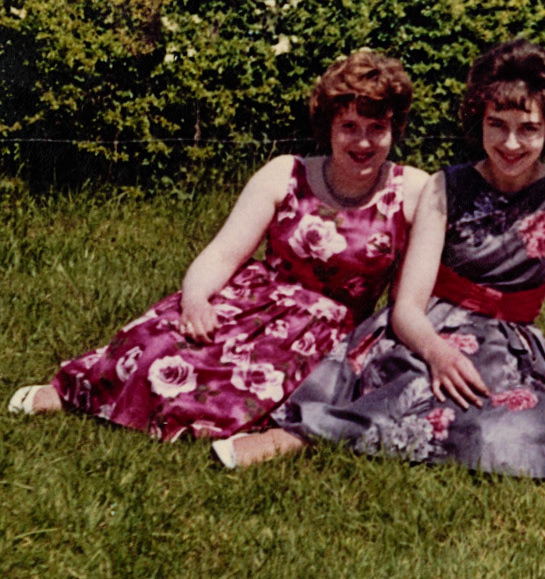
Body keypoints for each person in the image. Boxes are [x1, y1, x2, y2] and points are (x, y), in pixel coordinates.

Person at [215, 39, 545, 479]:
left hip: (512, 348)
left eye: (528, 129)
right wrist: (438, 353)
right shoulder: (447, 186)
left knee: (529, 431)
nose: (511, 143)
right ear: (479, 121)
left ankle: (361, 435)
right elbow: (408, 306)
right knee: (415, 387)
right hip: (431, 331)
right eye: (497, 125)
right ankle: (296, 439)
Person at [8, 50, 429, 442]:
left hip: (326, 333)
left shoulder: (412, 191)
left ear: (394, 129)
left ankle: (193, 422)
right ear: (328, 128)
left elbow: (410, 296)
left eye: (377, 128)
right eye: (349, 127)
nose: (363, 143)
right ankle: (75, 393)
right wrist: (195, 300)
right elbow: (223, 254)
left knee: (236, 384)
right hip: (251, 302)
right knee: (156, 345)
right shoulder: (286, 173)